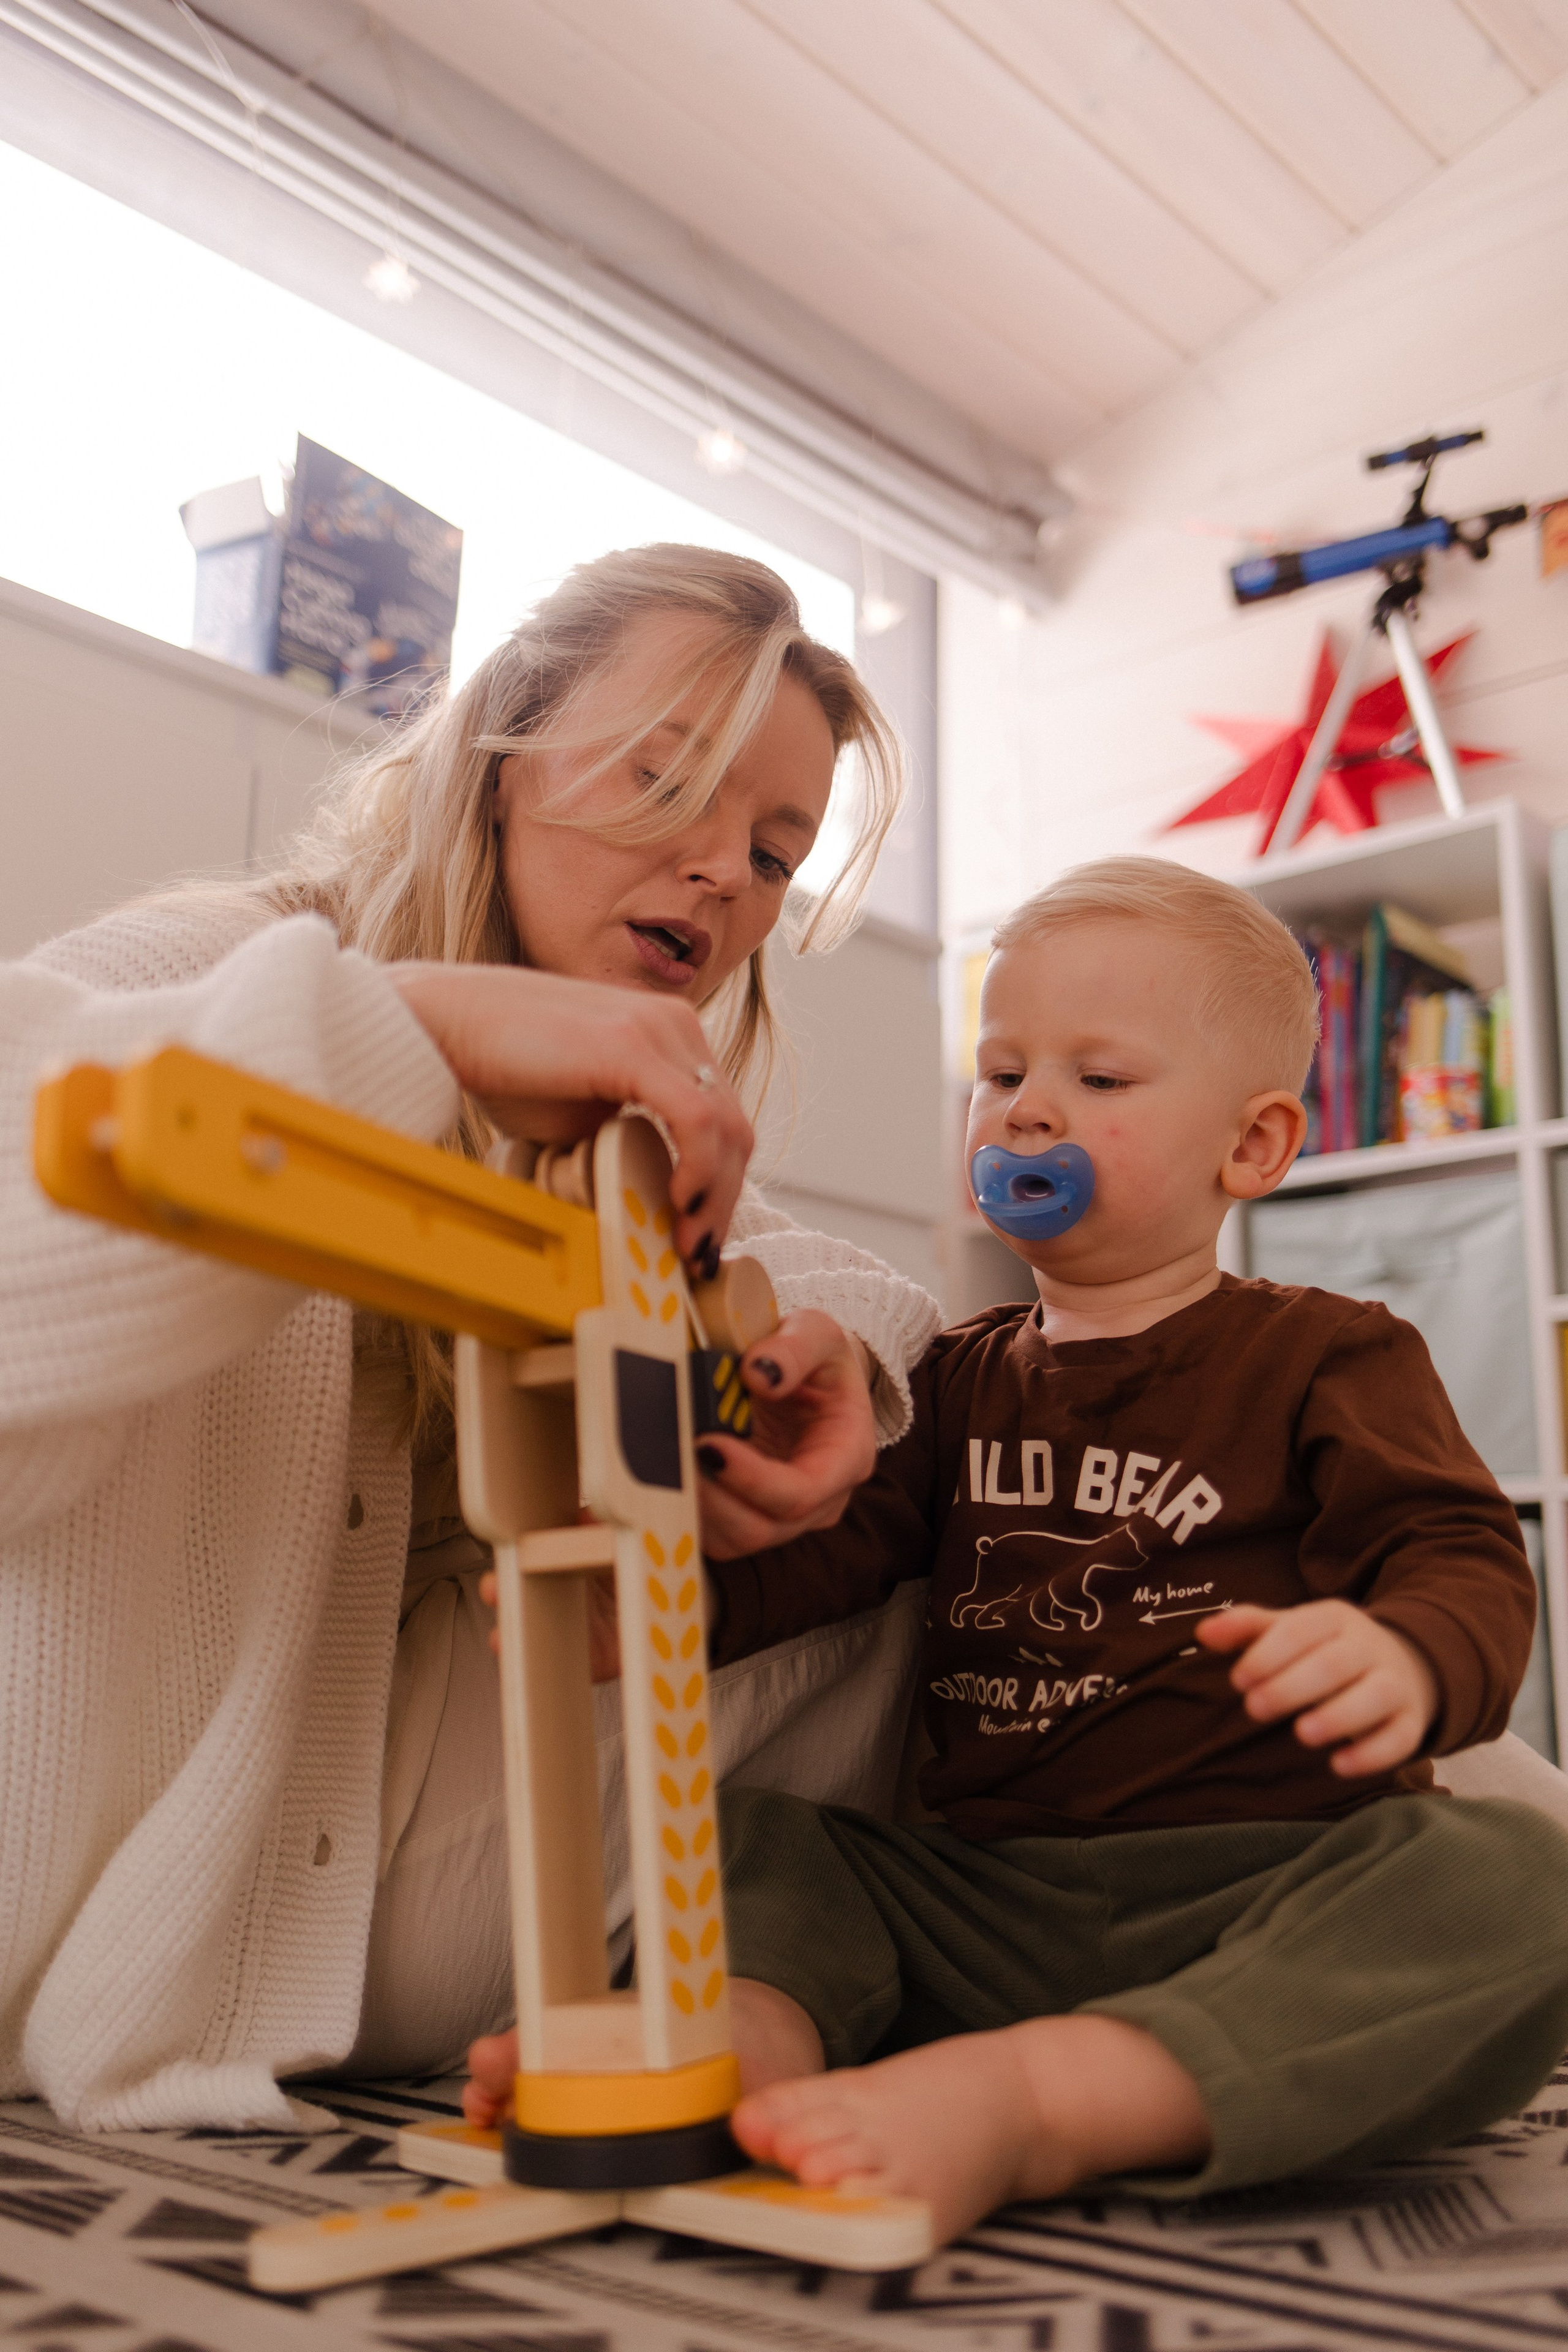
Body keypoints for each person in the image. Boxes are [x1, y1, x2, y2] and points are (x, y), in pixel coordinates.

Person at [470, 856, 1568, 2242]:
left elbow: (1459, 1550)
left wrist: (1406, 1652)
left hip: (1261, 1888)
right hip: (980, 1897)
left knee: (1513, 1887)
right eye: (999, 1076)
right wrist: (656, 1607)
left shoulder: (1324, 1353)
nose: (1028, 1109)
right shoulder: (950, 1375)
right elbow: (827, 1548)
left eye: (1099, 1082)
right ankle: (723, 2056)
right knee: (767, 1842)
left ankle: (1042, 2104)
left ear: (1251, 1146)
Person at [0, 544, 941, 2132]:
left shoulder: (617, 1129)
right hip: (93, 1889)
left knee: (1013, 1478)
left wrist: (838, 1349)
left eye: (777, 851)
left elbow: (836, 1279)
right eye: (669, 779)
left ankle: (1255, 1896)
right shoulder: (216, 966)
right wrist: (419, 1029)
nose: (726, 873)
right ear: (502, 746)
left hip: (348, 1909)